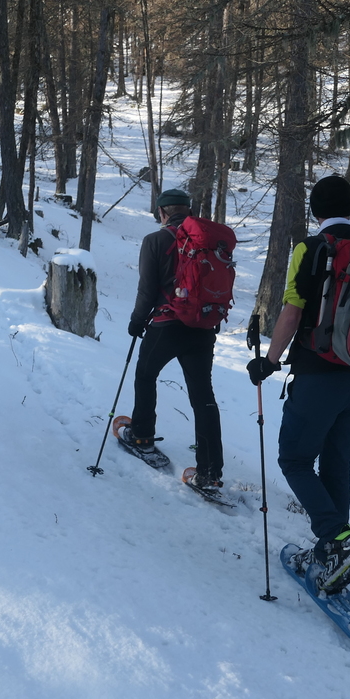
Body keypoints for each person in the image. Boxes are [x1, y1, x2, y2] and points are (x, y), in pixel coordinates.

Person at [246, 174, 350, 595]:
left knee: (295, 459)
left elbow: (292, 311)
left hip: (320, 373)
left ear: (315, 211)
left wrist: (269, 361)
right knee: (336, 463)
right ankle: (333, 551)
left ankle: (338, 540)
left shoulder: (313, 248)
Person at [122, 187, 224, 488]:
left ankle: (142, 437)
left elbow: (147, 289)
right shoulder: (208, 242)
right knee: (203, 396)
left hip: (166, 325)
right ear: (189, 211)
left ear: (162, 212)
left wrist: (136, 321)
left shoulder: (155, 240)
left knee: (145, 376)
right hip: (202, 327)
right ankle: (210, 471)